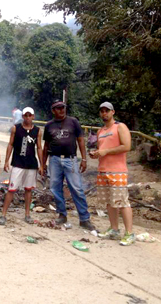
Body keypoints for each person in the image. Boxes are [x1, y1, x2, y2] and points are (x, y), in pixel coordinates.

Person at [41, 99, 95, 231]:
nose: (61, 110)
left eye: (63, 107)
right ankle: (62, 214)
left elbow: (81, 140)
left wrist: (84, 159)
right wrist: (42, 164)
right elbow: (46, 146)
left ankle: (84, 218)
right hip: (54, 160)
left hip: (70, 160)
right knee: (55, 188)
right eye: (58, 108)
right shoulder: (49, 125)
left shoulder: (73, 122)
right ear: (53, 111)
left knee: (76, 188)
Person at [89, 102, 135, 246]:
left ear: (113, 112)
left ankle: (129, 233)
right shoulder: (100, 131)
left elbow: (126, 146)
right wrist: (96, 154)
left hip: (118, 171)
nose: (104, 113)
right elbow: (102, 149)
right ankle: (114, 229)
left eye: (107, 111)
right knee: (110, 202)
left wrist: (106, 151)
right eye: (102, 111)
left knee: (122, 201)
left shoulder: (120, 127)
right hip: (103, 170)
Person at [0, 107, 43, 225]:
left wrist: (42, 164)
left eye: (30, 115)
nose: (28, 117)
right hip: (18, 162)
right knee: (11, 189)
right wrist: (6, 161)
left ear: (33, 116)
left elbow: (39, 147)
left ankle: (27, 214)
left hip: (31, 164)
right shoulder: (16, 128)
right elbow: (10, 144)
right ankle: (3, 215)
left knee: (28, 190)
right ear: (23, 116)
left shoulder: (37, 131)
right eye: (26, 115)